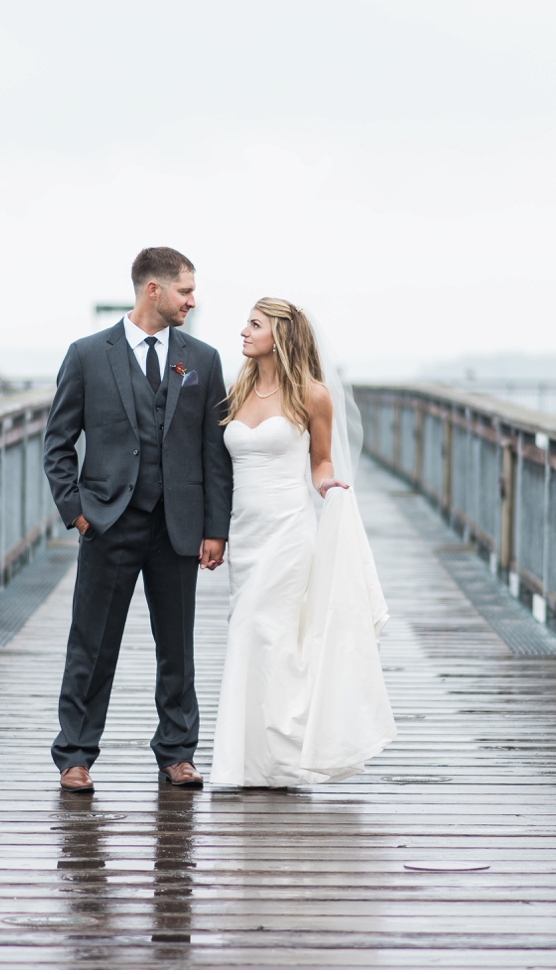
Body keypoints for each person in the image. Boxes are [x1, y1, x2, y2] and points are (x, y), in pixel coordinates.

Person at [43, 247, 232, 793]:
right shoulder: (86, 355)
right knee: (92, 644)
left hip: (178, 526)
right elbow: (58, 443)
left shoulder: (203, 359)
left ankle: (177, 752)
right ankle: (75, 755)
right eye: (185, 291)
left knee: (177, 645)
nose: (192, 302)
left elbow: (213, 451)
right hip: (107, 523)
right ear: (153, 290)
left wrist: (215, 527)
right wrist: (77, 513)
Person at [210, 297, 396, 787]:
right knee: (250, 633)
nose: (243, 331)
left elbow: (320, 460)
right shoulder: (238, 389)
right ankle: (252, 761)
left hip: (289, 531)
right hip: (245, 534)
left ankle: (283, 757)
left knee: (268, 632)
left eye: (254, 324)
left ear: (281, 334)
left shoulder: (313, 395)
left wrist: (327, 485)